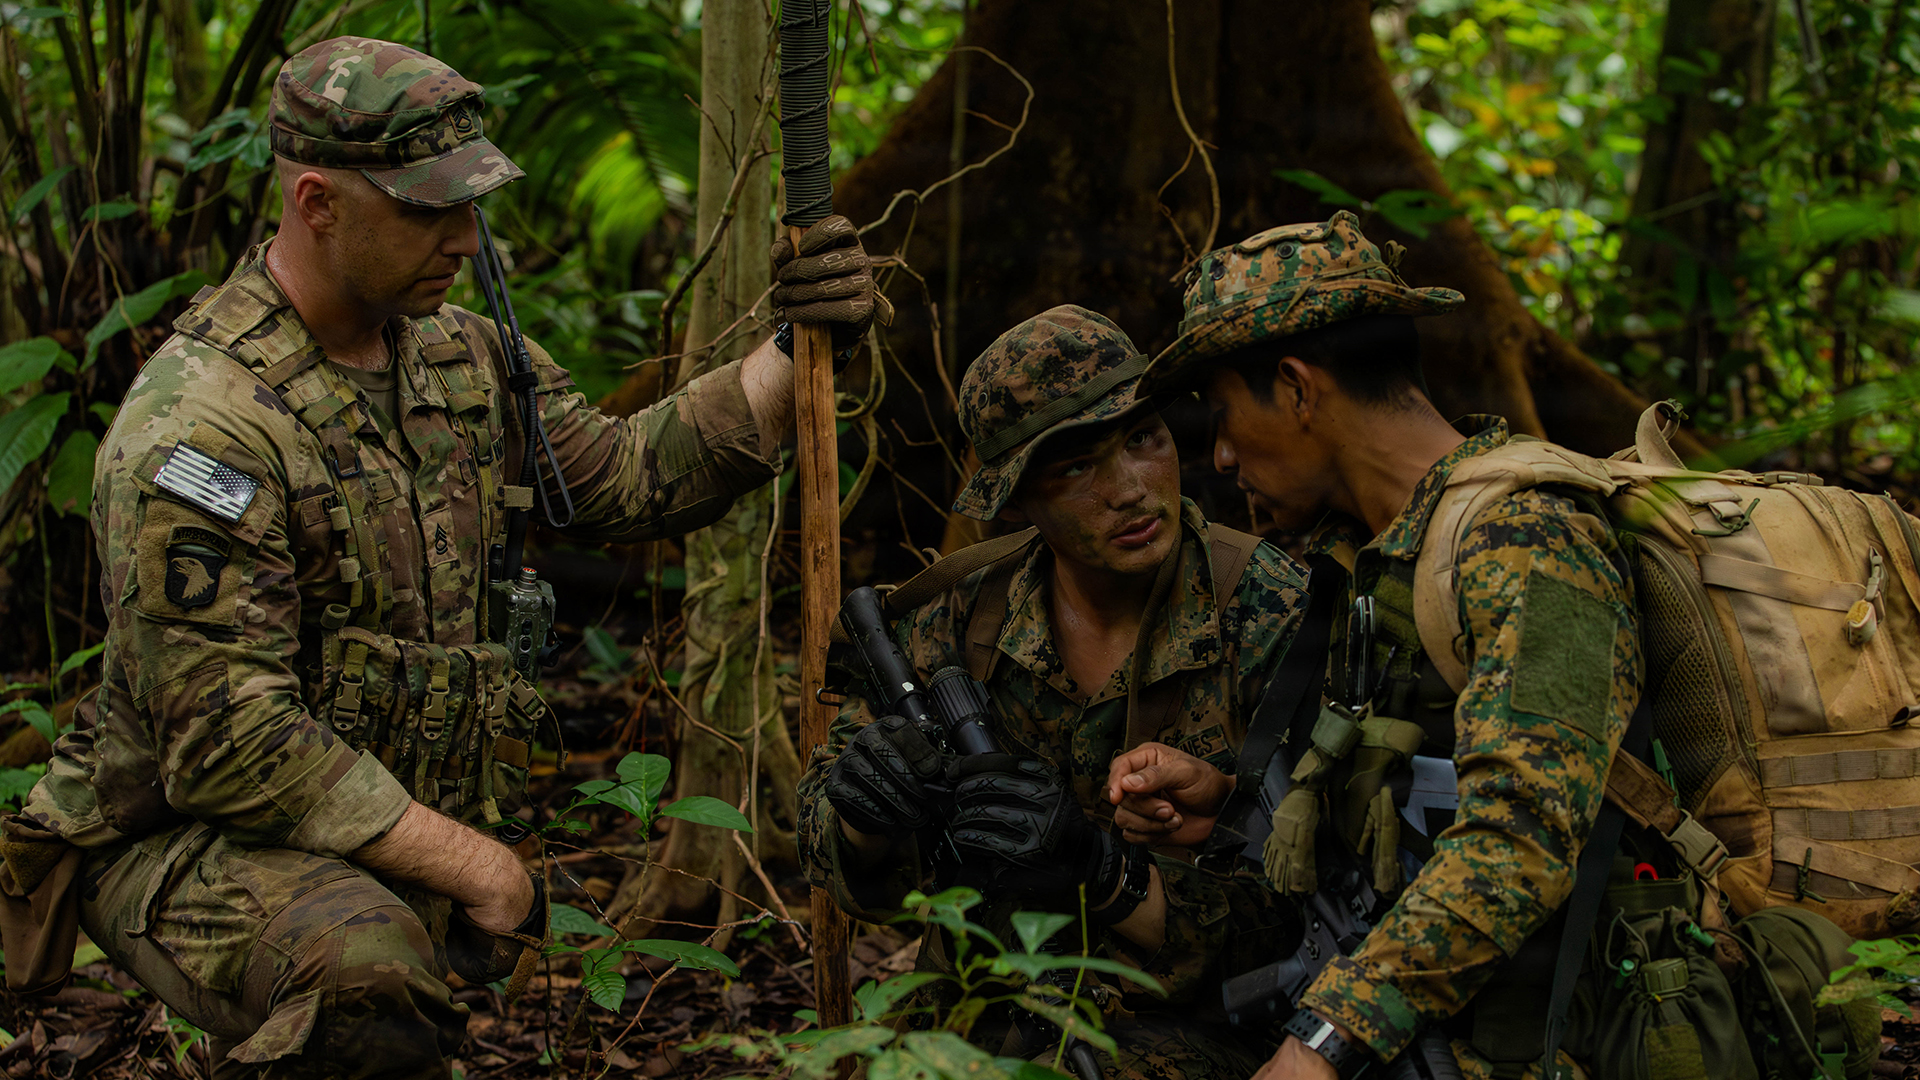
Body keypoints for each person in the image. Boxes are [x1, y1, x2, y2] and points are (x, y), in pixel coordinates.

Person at [0, 37, 878, 1079]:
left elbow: (627, 475)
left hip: (353, 823)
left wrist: (797, 346)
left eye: (472, 204)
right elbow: (228, 741)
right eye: (428, 208)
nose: (466, 238)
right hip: (181, 837)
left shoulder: (461, 354)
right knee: (360, 974)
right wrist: (474, 860)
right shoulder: (203, 426)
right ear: (317, 203)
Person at [1109, 211, 1641, 1080]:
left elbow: (1519, 844)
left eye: (1226, 413)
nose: (1224, 455)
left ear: (1296, 387)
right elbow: (1407, 792)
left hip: (1544, 1038)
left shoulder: (1531, 540)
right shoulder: (1370, 553)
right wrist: (1230, 806)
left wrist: (1322, 1044)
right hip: (1410, 1016)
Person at [796, 305, 1308, 1078]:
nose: (1131, 491)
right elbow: (830, 845)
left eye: (1143, 439)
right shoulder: (958, 618)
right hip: (979, 1007)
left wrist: (1104, 871)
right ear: (1016, 499)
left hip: (1205, 1027)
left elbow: (1308, 915)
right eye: (1075, 467)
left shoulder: (1273, 615)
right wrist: (865, 818)